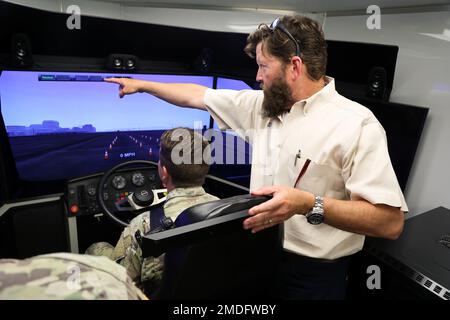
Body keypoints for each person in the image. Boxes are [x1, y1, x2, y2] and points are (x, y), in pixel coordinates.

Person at [104, 15, 407, 299]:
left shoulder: (357, 125)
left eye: (264, 66)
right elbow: (195, 95)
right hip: (256, 258)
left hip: (315, 275)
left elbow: (389, 222)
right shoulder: (262, 105)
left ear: (295, 67)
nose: (258, 76)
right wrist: (141, 85)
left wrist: (306, 204)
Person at [86, 128, 218, 295]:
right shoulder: (222, 208)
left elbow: (124, 285)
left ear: (163, 172)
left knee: (96, 247)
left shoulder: (141, 226)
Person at [0, 252, 147, 300]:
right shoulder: (102, 277)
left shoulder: (140, 222)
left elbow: (126, 271)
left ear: (164, 177)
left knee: (98, 247)